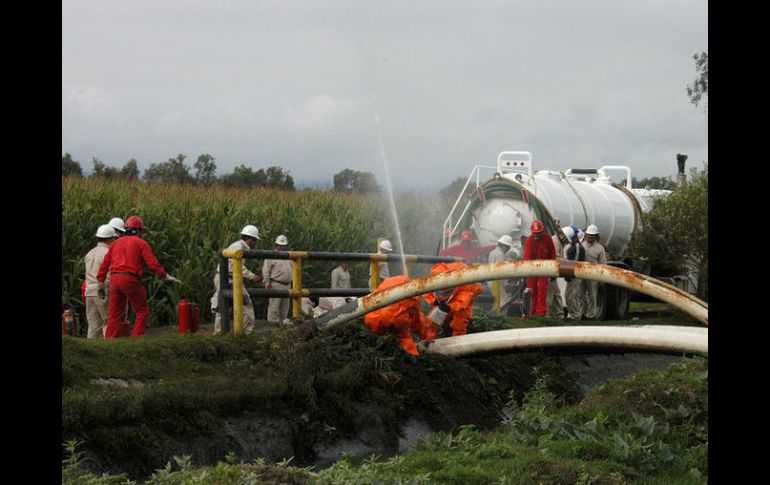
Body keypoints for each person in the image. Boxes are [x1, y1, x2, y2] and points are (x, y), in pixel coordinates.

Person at [97, 216, 180, 338]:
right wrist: (165, 276)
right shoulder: (141, 243)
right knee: (142, 311)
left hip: (114, 280)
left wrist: (100, 281)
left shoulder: (115, 244)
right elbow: (153, 263)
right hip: (130, 279)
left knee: (114, 314)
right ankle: (137, 338)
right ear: (138, 230)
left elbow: (105, 264)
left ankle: (110, 340)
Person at [364, 275, 439, 356]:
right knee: (408, 348)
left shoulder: (393, 280)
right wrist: (426, 336)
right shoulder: (413, 297)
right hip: (393, 320)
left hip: (370, 318)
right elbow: (416, 322)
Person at [211, 225, 262, 335]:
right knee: (245, 302)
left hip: (225, 277)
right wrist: (251, 276)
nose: (254, 243)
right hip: (228, 278)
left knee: (223, 305)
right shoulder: (239, 247)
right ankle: (246, 331)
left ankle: (219, 332)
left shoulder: (237, 245)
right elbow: (236, 265)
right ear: (249, 239)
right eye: (254, 240)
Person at [422, 261, 484, 337]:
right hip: (447, 300)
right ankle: (428, 337)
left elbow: (461, 303)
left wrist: (450, 307)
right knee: (433, 318)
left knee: (459, 322)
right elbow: (428, 292)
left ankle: (458, 341)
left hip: (461, 307)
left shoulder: (465, 289)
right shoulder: (437, 276)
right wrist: (435, 302)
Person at [84, 224, 117, 338]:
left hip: (89, 293)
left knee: (93, 327)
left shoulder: (90, 253)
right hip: (102, 292)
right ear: (110, 239)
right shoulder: (108, 253)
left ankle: (91, 353)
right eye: (114, 238)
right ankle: (109, 350)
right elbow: (109, 275)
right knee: (108, 323)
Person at [523, 219, 556, 316]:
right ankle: (532, 311)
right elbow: (527, 257)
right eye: (535, 233)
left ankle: (540, 312)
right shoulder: (529, 240)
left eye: (538, 233)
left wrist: (552, 269)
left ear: (542, 231)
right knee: (531, 290)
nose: (536, 235)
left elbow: (552, 254)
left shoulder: (547, 239)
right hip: (532, 269)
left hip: (544, 269)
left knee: (542, 290)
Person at [263, 234, 293, 324]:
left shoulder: (289, 256)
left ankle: (282, 326)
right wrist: (267, 282)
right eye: (280, 245)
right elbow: (266, 270)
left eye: (283, 245)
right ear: (276, 245)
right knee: (274, 307)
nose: (281, 247)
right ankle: (271, 325)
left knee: (285, 308)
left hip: (287, 285)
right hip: (276, 284)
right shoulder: (271, 256)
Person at [582, 224, 608, 320]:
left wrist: (601, 279)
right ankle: (582, 313)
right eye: (588, 235)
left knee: (593, 295)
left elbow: (603, 265)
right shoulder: (582, 245)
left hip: (593, 275)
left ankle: (591, 315)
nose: (590, 236)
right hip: (582, 274)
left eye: (592, 235)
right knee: (581, 294)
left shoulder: (600, 248)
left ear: (596, 236)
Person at [487, 234, 518, 309]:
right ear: (504, 245)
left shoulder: (493, 252)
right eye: (508, 247)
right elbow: (501, 272)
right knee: (503, 300)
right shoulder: (500, 255)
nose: (508, 249)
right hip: (497, 282)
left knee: (497, 300)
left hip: (491, 281)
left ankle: (495, 315)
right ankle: (500, 316)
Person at [562, 226, 587, 321]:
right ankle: (572, 314)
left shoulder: (577, 247)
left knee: (573, 296)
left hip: (574, 276)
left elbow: (575, 262)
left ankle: (575, 315)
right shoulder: (573, 246)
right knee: (569, 296)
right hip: (571, 275)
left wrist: (570, 274)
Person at [546, 226, 569, 319]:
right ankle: (547, 314)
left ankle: (559, 314)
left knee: (556, 293)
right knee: (550, 294)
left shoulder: (558, 241)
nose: (567, 241)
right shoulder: (555, 242)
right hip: (550, 272)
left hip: (553, 273)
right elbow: (555, 258)